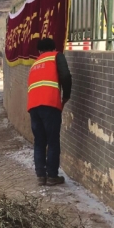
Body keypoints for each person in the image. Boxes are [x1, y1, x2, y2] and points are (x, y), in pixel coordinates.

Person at [27, 37, 72, 187]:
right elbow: (65, 75)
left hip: (33, 107)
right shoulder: (56, 56)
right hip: (50, 104)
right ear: (53, 48)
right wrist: (66, 96)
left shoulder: (35, 64)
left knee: (39, 141)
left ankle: (41, 176)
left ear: (39, 50)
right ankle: (52, 176)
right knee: (52, 141)